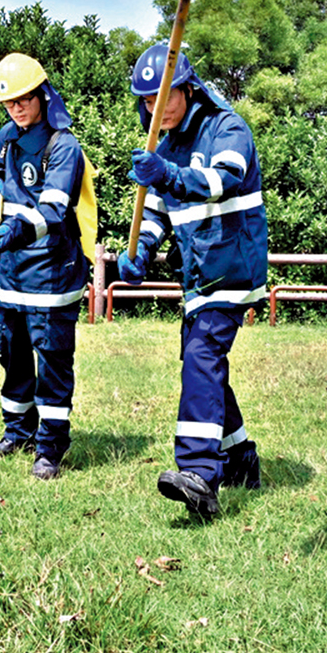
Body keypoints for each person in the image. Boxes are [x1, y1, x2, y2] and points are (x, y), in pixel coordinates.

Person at [120, 43, 266, 519]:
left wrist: (169, 174)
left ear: (186, 88)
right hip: (198, 274)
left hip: (233, 266)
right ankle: (242, 457)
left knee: (202, 355)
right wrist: (140, 251)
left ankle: (202, 475)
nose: (153, 108)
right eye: (145, 101)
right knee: (202, 364)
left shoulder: (227, 129)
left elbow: (223, 180)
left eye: (162, 97)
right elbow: (159, 215)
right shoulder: (163, 148)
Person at [0, 53, 96, 481]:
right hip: (11, 275)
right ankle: (17, 432)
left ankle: (49, 448)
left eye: (24, 99)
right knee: (13, 357)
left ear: (42, 95)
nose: (17, 109)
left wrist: (12, 231)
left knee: (53, 363)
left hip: (52, 273)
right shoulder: (8, 135)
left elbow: (53, 212)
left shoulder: (64, 146)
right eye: (9, 104)